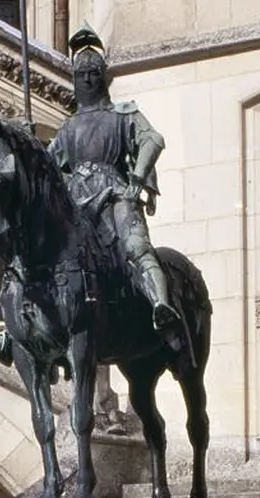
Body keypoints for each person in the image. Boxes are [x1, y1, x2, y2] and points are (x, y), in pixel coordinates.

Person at [48, 27, 179, 333]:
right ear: (74, 80)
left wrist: (137, 177)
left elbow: (152, 139)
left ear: (103, 76)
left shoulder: (123, 115)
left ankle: (161, 304)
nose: (88, 80)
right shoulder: (67, 128)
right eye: (81, 75)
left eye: (93, 73)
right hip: (76, 201)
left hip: (115, 194)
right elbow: (47, 165)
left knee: (136, 246)